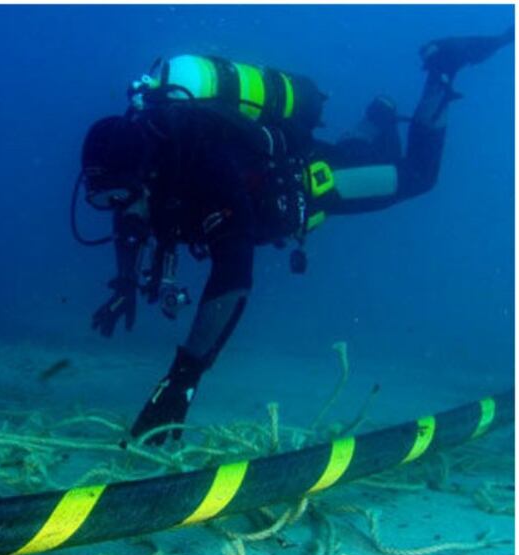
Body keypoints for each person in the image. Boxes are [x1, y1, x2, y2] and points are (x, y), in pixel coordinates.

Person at [77, 27, 513, 446]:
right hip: (282, 171)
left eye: (124, 193)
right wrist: (125, 282)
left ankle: (443, 69)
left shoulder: (206, 169)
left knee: (416, 176)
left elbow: (233, 277)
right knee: (347, 155)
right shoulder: (146, 170)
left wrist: (183, 377)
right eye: (106, 198)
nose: (122, 208)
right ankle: (376, 119)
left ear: (148, 170)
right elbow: (130, 214)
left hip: (311, 184)